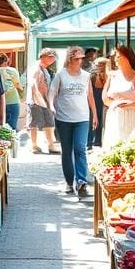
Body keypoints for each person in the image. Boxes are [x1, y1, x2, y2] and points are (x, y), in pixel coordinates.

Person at [48, 47, 98, 196]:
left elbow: (90, 95)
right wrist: (51, 106)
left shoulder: (86, 76)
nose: (80, 61)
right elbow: (52, 93)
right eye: (77, 58)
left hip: (82, 118)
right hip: (64, 119)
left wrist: (95, 114)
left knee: (80, 149)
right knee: (67, 151)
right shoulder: (60, 75)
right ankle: (69, 182)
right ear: (70, 59)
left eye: (81, 58)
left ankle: (81, 181)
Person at [101, 45, 135, 149]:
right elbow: (105, 98)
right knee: (113, 147)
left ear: (128, 58)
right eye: (115, 56)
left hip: (132, 116)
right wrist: (116, 104)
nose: (115, 59)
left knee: (131, 148)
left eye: (118, 56)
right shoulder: (112, 75)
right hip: (114, 116)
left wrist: (129, 105)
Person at [27, 48, 58, 154]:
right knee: (33, 124)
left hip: (45, 100)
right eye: (50, 56)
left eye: (53, 57)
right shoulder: (36, 68)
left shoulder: (44, 69)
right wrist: (39, 99)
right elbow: (34, 85)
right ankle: (34, 145)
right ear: (42, 56)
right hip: (36, 100)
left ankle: (51, 145)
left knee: (49, 123)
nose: (52, 59)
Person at [0, 54, 24, 131]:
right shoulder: (13, 71)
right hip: (13, 102)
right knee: (12, 130)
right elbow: (18, 85)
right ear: (7, 61)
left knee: (0, 130)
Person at [88, 58, 108, 150]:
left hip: (103, 101)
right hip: (93, 99)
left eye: (99, 65)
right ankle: (89, 142)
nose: (96, 67)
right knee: (91, 120)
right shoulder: (91, 76)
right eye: (96, 65)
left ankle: (98, 141)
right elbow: (89, 92)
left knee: (101, 120)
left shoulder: (108, 76)